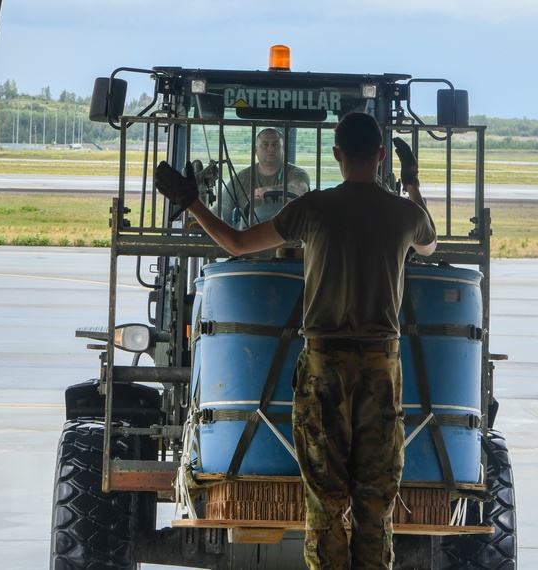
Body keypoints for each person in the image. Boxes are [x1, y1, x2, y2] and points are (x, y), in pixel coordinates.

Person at [155, 112, 436, 569]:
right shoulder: (404, 215)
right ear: (381, 155)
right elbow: (429, 246)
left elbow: (236, 244)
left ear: (337, 155)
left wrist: (192, 202)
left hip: (324, 367)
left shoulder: (314, 208)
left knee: (325, 505)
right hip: (381, 371)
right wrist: (410, 185)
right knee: (376, 503)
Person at [221, 127, 311, 228]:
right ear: (255, 150)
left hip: (291, 237)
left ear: (283, 149)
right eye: (265, 145)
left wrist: (266, 191)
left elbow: (299, 189)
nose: (270, 148)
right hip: (251, 238)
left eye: (275, 144)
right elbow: (221, 211)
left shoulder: (297, 173)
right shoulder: (240, 179)